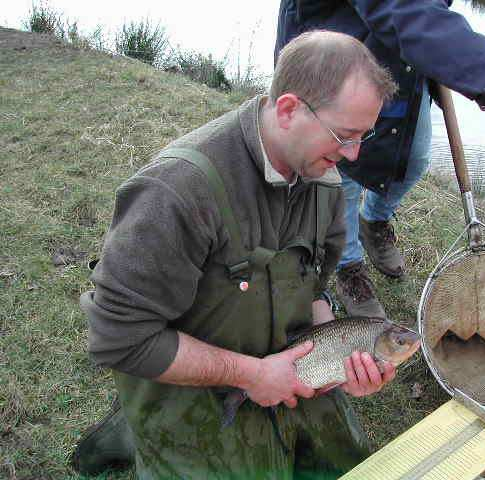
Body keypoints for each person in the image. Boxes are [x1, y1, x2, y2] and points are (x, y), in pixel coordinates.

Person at [77, 31, 398, 479]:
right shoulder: (175, 192)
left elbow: (313, 290)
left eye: (364, 136)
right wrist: (251, 375)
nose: (352, 155)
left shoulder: (324, 185)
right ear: (288, 109)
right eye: (343, 135)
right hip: (190, 398)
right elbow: (119, 338)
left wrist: (343, 358)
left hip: (289, 375)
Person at [276, 0, 485, 317]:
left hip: (400, 65)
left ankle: (373, 222)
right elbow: (401, 6)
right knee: (340, 169)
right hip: (330, 63)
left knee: (413, 159)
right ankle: (349, 266)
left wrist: (437, 48)